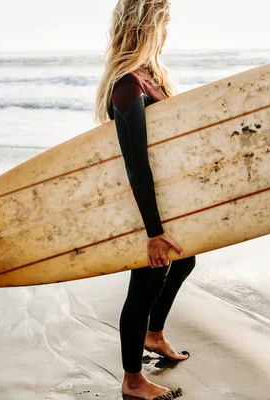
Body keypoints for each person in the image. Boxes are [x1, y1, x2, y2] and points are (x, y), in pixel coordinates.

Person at [94, 1, 194, 399]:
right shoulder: (127, 86)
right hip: (142, 205)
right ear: (148, 26)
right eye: (164, 23)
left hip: (166, 199)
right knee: (147, 279)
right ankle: (132, 380)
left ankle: (154, 335)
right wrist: (154, 232)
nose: (167, 30)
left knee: (185, 259)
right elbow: (136, 165)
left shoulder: (149, 76)